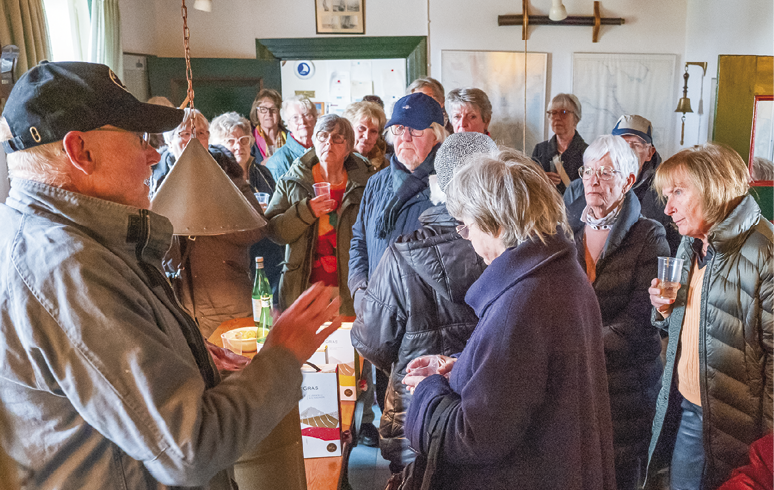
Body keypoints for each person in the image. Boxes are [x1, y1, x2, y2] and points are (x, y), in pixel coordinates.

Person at [0, 61, 341, 489]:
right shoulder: (69, 267)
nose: (154, 154)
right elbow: (188, 448)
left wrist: (187, 356)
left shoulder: (54, 237)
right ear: (80, 152)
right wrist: (284, 354)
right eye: (138, 138)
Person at [402, 148, 616, 489]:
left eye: (468, 226)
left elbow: (474, 436)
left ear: (498, 224)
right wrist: (460, 368)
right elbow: (530, 381)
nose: (467, 236)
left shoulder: (523, 300)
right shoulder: (560, 270)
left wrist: (428, 390)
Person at [351, 132, 495, 485]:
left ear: (439, 186)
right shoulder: (514, 247)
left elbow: (371, 340)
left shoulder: (402, 255)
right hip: (491, 407)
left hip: (417, 410)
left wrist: (412, 357)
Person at [645, 143, 774, 490]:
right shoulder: (692, 243)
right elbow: (693, 321)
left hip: (737, 424)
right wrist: (663, 309)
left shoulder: (764, 250)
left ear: (713, 188)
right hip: (685, 403)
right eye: (666, 195)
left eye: (677, 192)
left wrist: (767, 448)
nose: (668, 208)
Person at [569, 135, 669, 490]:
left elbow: (641, 319)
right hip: (578, 382)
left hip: (627, 386)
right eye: (589, 171)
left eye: (606, 172)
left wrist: (573, 344)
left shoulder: (649, 234)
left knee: (621, 474)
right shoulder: (568, 232)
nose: (594, 180)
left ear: (629, 181)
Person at [265, 114, 374, 315]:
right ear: (314, 141)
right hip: (303, 288)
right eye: (322, 136)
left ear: (349, 147)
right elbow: (274, 231)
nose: (328, 143)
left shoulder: (367, 182)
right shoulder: (293, 179)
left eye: (337, 138)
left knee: (349, 344)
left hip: (352, 287)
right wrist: (306, 211)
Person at [348, 92, 447, 307]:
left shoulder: (450, 187)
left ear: (436, 136)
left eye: (416, 129)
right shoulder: (376, 183)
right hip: (375, 310)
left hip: (425, 317)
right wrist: (358, 289)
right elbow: (359, 240)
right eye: (400, 128)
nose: (405, 137)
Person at [161, 140, 266, 338]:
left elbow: (255, 230)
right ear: (171, 142)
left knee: (238, 364)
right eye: (182, 134)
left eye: (201, 133)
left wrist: (209, 218)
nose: (191, 140)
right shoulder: (166, 182)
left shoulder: (233, 184)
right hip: (183, 305)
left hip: (227, 302)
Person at [565, 114, 681, 254]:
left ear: (650, 153)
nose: (628, 150)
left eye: (636, 145)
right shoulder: (578, 188)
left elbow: (674, 247)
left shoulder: (665, 191)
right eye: (621, 144)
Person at [210, 111, 283, 300]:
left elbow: (277, 205)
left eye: (243, 140)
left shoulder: (262, 172)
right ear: (217, 145)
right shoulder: (215, 178)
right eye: (230, 141)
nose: (238, 146)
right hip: (233, 257)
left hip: (268, 252)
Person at [531, 93, 587, 194]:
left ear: (576, 119)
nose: (556, 117)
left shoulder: (587, 153)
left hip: (575, 209)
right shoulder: (540, 150)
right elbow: (529, 185)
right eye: (553, 113)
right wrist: (541, 180)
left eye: (563, 112)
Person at [150, 107, 211, 193]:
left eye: (201, 133)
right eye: (186, 134)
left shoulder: (224, 168)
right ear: (170, 143)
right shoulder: (152, 177)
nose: (194, 139)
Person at [265, 95, 317, 182]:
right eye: (295, 117)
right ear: (287, 124)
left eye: (306, 115)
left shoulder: (324, 151)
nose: (302, 121)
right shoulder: (278, 162)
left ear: (315, 119)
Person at [343, 100, 388, 171]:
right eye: (361, 128)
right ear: (349, 129)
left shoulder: (383, 165)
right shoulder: (339, 162)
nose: (367, 136)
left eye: (373, 131)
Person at [249, 88, 288, 165]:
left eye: (273, 109)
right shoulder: (249, 140)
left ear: (280, 113)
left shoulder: (290, 138)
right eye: (263, 109)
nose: (268, 113)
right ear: (256, 113)